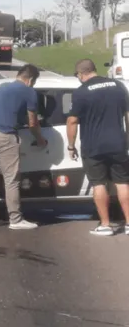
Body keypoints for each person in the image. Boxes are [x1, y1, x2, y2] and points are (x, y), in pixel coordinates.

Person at [0, 63, 47, 229]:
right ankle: (15, 219)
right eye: (34, 82)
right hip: (4, 136)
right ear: (30, 79)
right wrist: (40, 139)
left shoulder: (1, 87)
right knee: (11, 180)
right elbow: (32, 122)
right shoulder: (29, 91)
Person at [66, 58, 129, 236]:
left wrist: (71, 146)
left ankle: (106, 225)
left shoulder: (81, 92)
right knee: (123, 183)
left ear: (81, 74)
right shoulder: (118, 86)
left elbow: (72, 121)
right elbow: (127, 114)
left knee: (99, 184)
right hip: (118, 143)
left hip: (94, 146)